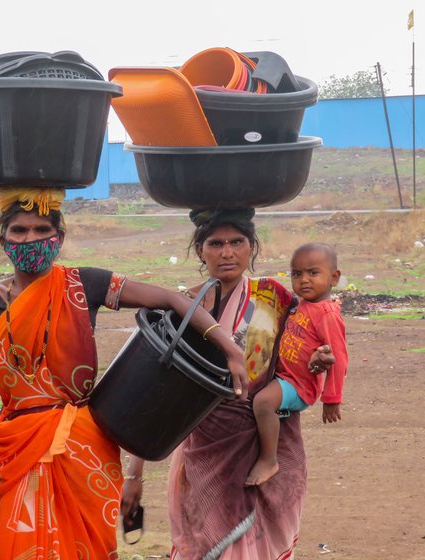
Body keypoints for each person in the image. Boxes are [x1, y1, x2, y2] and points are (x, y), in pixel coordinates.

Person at [0, 188, 249, 560]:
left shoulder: (84, 284)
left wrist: (229, 347)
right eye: (19, 231)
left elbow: (174, 300)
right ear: (3, 240)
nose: (30, 239)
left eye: (41, 229)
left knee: (87, 548)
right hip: (17, 445)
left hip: (82, 443)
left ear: (58, 238)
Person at [121, 208, 335, 560]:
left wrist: (318, 361)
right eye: (215, 243)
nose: (227, 252)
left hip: (269, 453)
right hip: (204, 460)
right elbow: (156, 399)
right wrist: (135, 475)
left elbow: (300, 361)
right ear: (200, 250)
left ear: (251, 247)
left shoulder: (275, 299)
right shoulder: (181, 310)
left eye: (237, 242)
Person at [246, 242, 348, 487]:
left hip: (299, 384)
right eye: (297, 274)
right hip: (283, 376)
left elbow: (339, 359)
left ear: (334, 278)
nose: (304, 280)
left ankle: (269, 460)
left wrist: (332, 399)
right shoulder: (302, 303)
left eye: (313, 273)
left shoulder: (327, 314)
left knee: (262, 403)